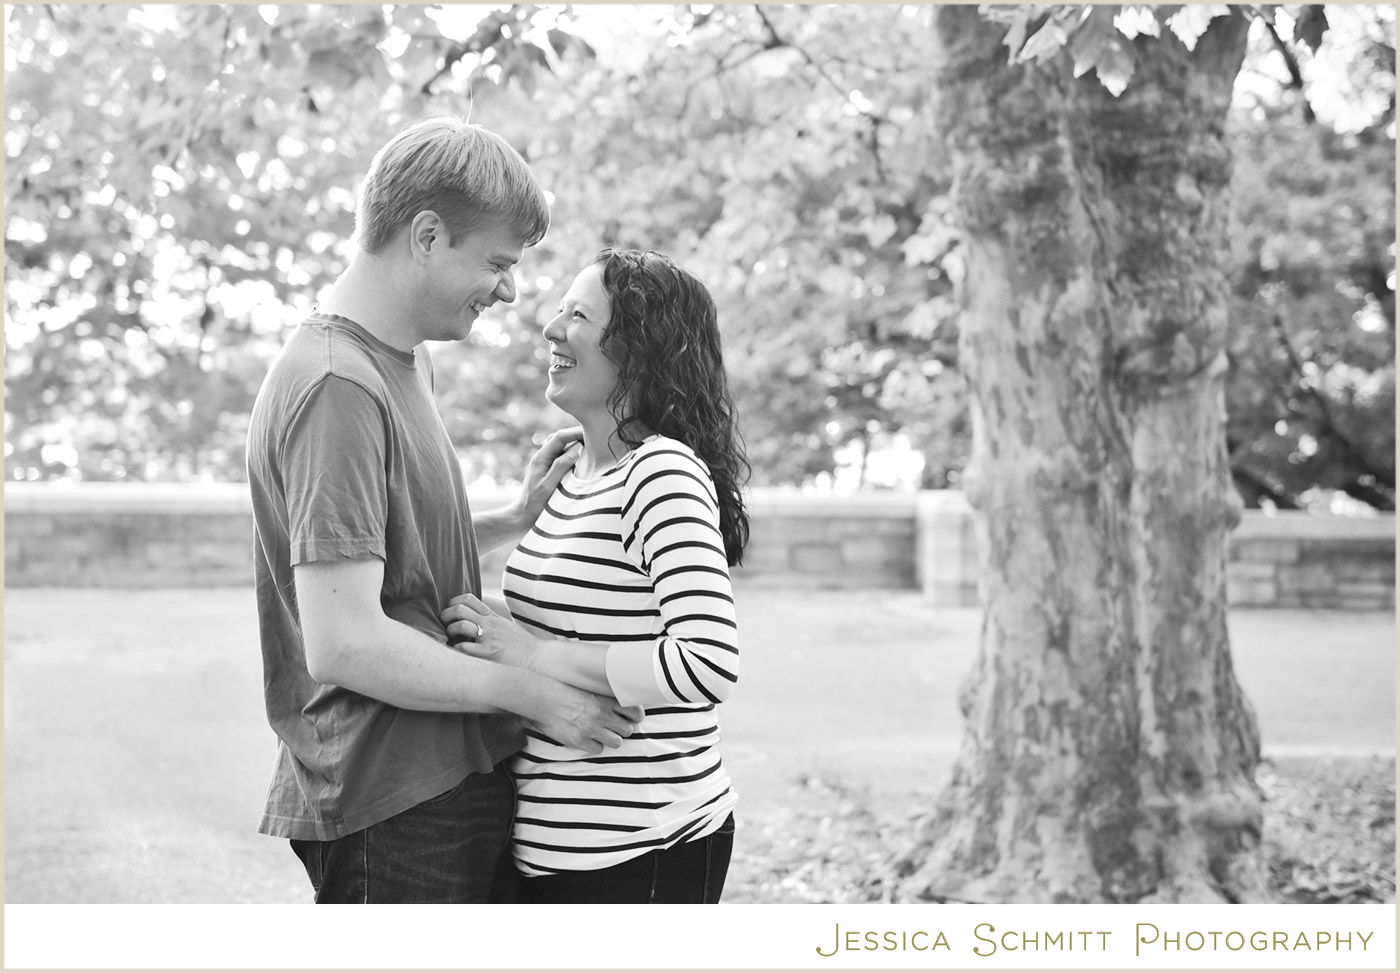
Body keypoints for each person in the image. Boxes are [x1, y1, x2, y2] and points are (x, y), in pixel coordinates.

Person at [245, 117, 641, 905]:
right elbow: (346, 642)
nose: (511, 289)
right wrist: (535, 693)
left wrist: (510, 520)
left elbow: (384, 555)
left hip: (440, 782)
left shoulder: (399, 361)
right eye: (498, 261)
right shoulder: (338, 387)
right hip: (398, 804)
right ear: (427, 234)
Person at [440, 247, 750, 903]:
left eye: (577, 315)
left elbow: (707, 662)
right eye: (558, 312)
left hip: (643, 849)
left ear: (638, 348)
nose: (551, 330)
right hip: (549, 847)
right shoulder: (581, 474)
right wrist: (515, 541)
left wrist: (533, 653)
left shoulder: (659, 472)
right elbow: (590, 614)